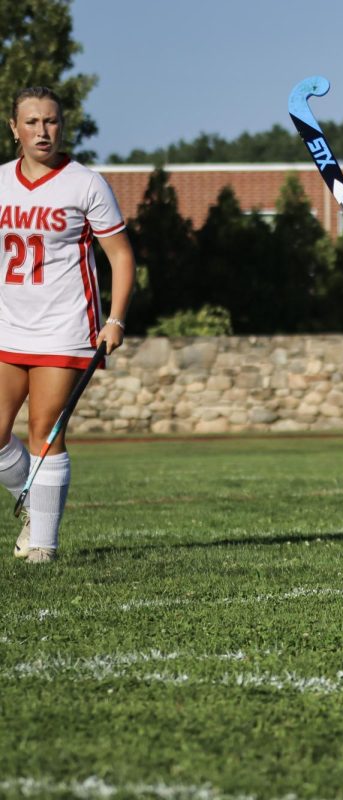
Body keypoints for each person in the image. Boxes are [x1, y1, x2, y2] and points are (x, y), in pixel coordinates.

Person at [0, 87, 133, 563]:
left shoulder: (86, 184)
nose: (42, 131)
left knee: (44, 432)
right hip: (8, 327)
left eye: (51, 121)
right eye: (31, 122)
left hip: (65, 327)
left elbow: (120, 255)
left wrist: (114, 318)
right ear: (14, 127)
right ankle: (36, 510)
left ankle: (43, 547)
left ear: (62, 125)